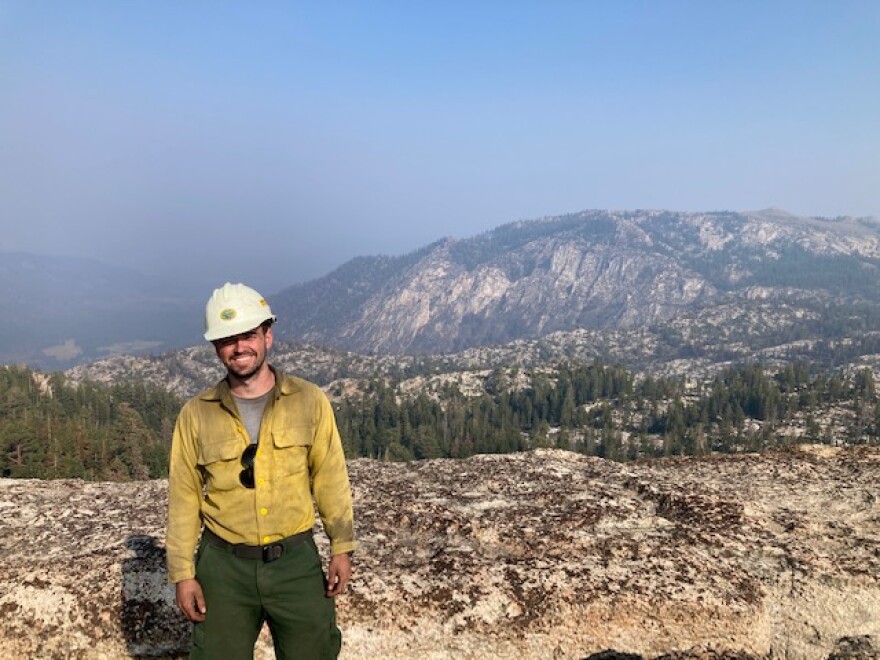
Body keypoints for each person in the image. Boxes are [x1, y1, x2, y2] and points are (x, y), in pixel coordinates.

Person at [166, 282, 356, 660]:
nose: (239, 348)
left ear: (268, 335)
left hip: (295, 563)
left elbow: (330, 477)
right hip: (223, 569)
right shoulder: (195, 415)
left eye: (248, 335)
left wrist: (342, 546)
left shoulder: (308, 401)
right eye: (227, 340)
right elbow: (184, 498)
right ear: (215, 347)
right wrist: (183, 574)